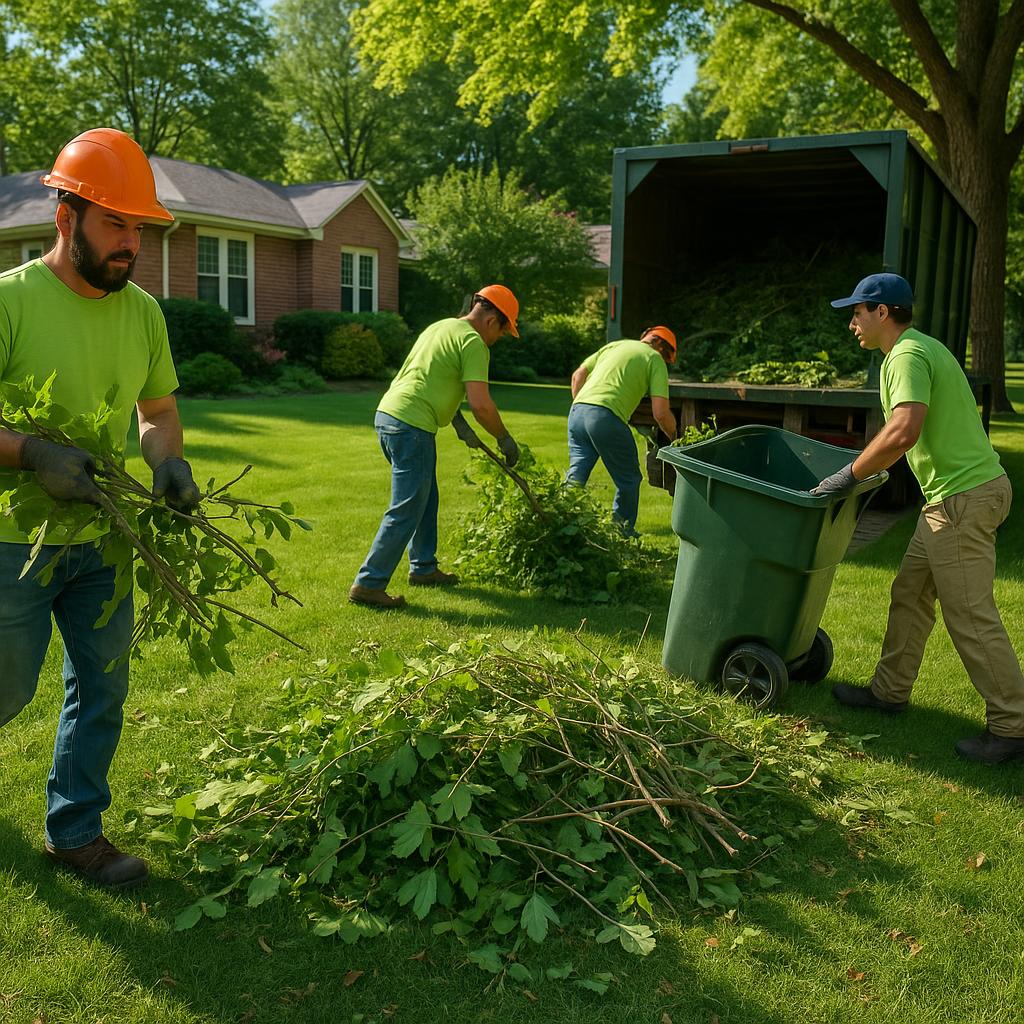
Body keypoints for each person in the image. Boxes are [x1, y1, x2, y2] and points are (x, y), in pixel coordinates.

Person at [0, 127, 199, 887]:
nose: (131, 244)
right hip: (10, 539)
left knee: (103, 686)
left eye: (138, 227)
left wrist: (168, 462)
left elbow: (156, 410)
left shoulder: (142, 312)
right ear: (65, 217)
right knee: (7, 688)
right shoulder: (10, 302)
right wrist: (32, 453)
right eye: (115, 223)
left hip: (101, 531)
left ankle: (75, 832)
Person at [811, 272, 1024, 764]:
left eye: (857, 313)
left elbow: (904, 429)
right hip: (950, 499)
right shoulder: (917, 348)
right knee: (909, 593)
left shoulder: (906, 354)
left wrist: (847, 477)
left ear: (882, 312)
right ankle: (889, 691)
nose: (852, 324)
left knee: (969, 613)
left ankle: (1013, 726)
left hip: (963, 500)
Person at [349, 286, 522, 609]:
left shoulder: (441, 327)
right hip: (412, 425)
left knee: (426, 497)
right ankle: (369, 583)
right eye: (502, 330)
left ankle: (423, 567)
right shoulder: (473, 343)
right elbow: (481, 404)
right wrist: (504, 439)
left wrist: (460, 426)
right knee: (408, 504)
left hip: (390, 415)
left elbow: (430, 378)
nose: (498, 339)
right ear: (492, 320)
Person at [565, 326, 678, 534]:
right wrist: (675, 437)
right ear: (661, 346)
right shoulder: (654, 359)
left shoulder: (615, 346)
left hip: (577, 412)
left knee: (577, 473)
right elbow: (661, 413)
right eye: (667, 357)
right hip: (605, 417)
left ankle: (559, 520)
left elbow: (578, 375)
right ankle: (620, 532)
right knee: (629, 479)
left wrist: (583, 406)